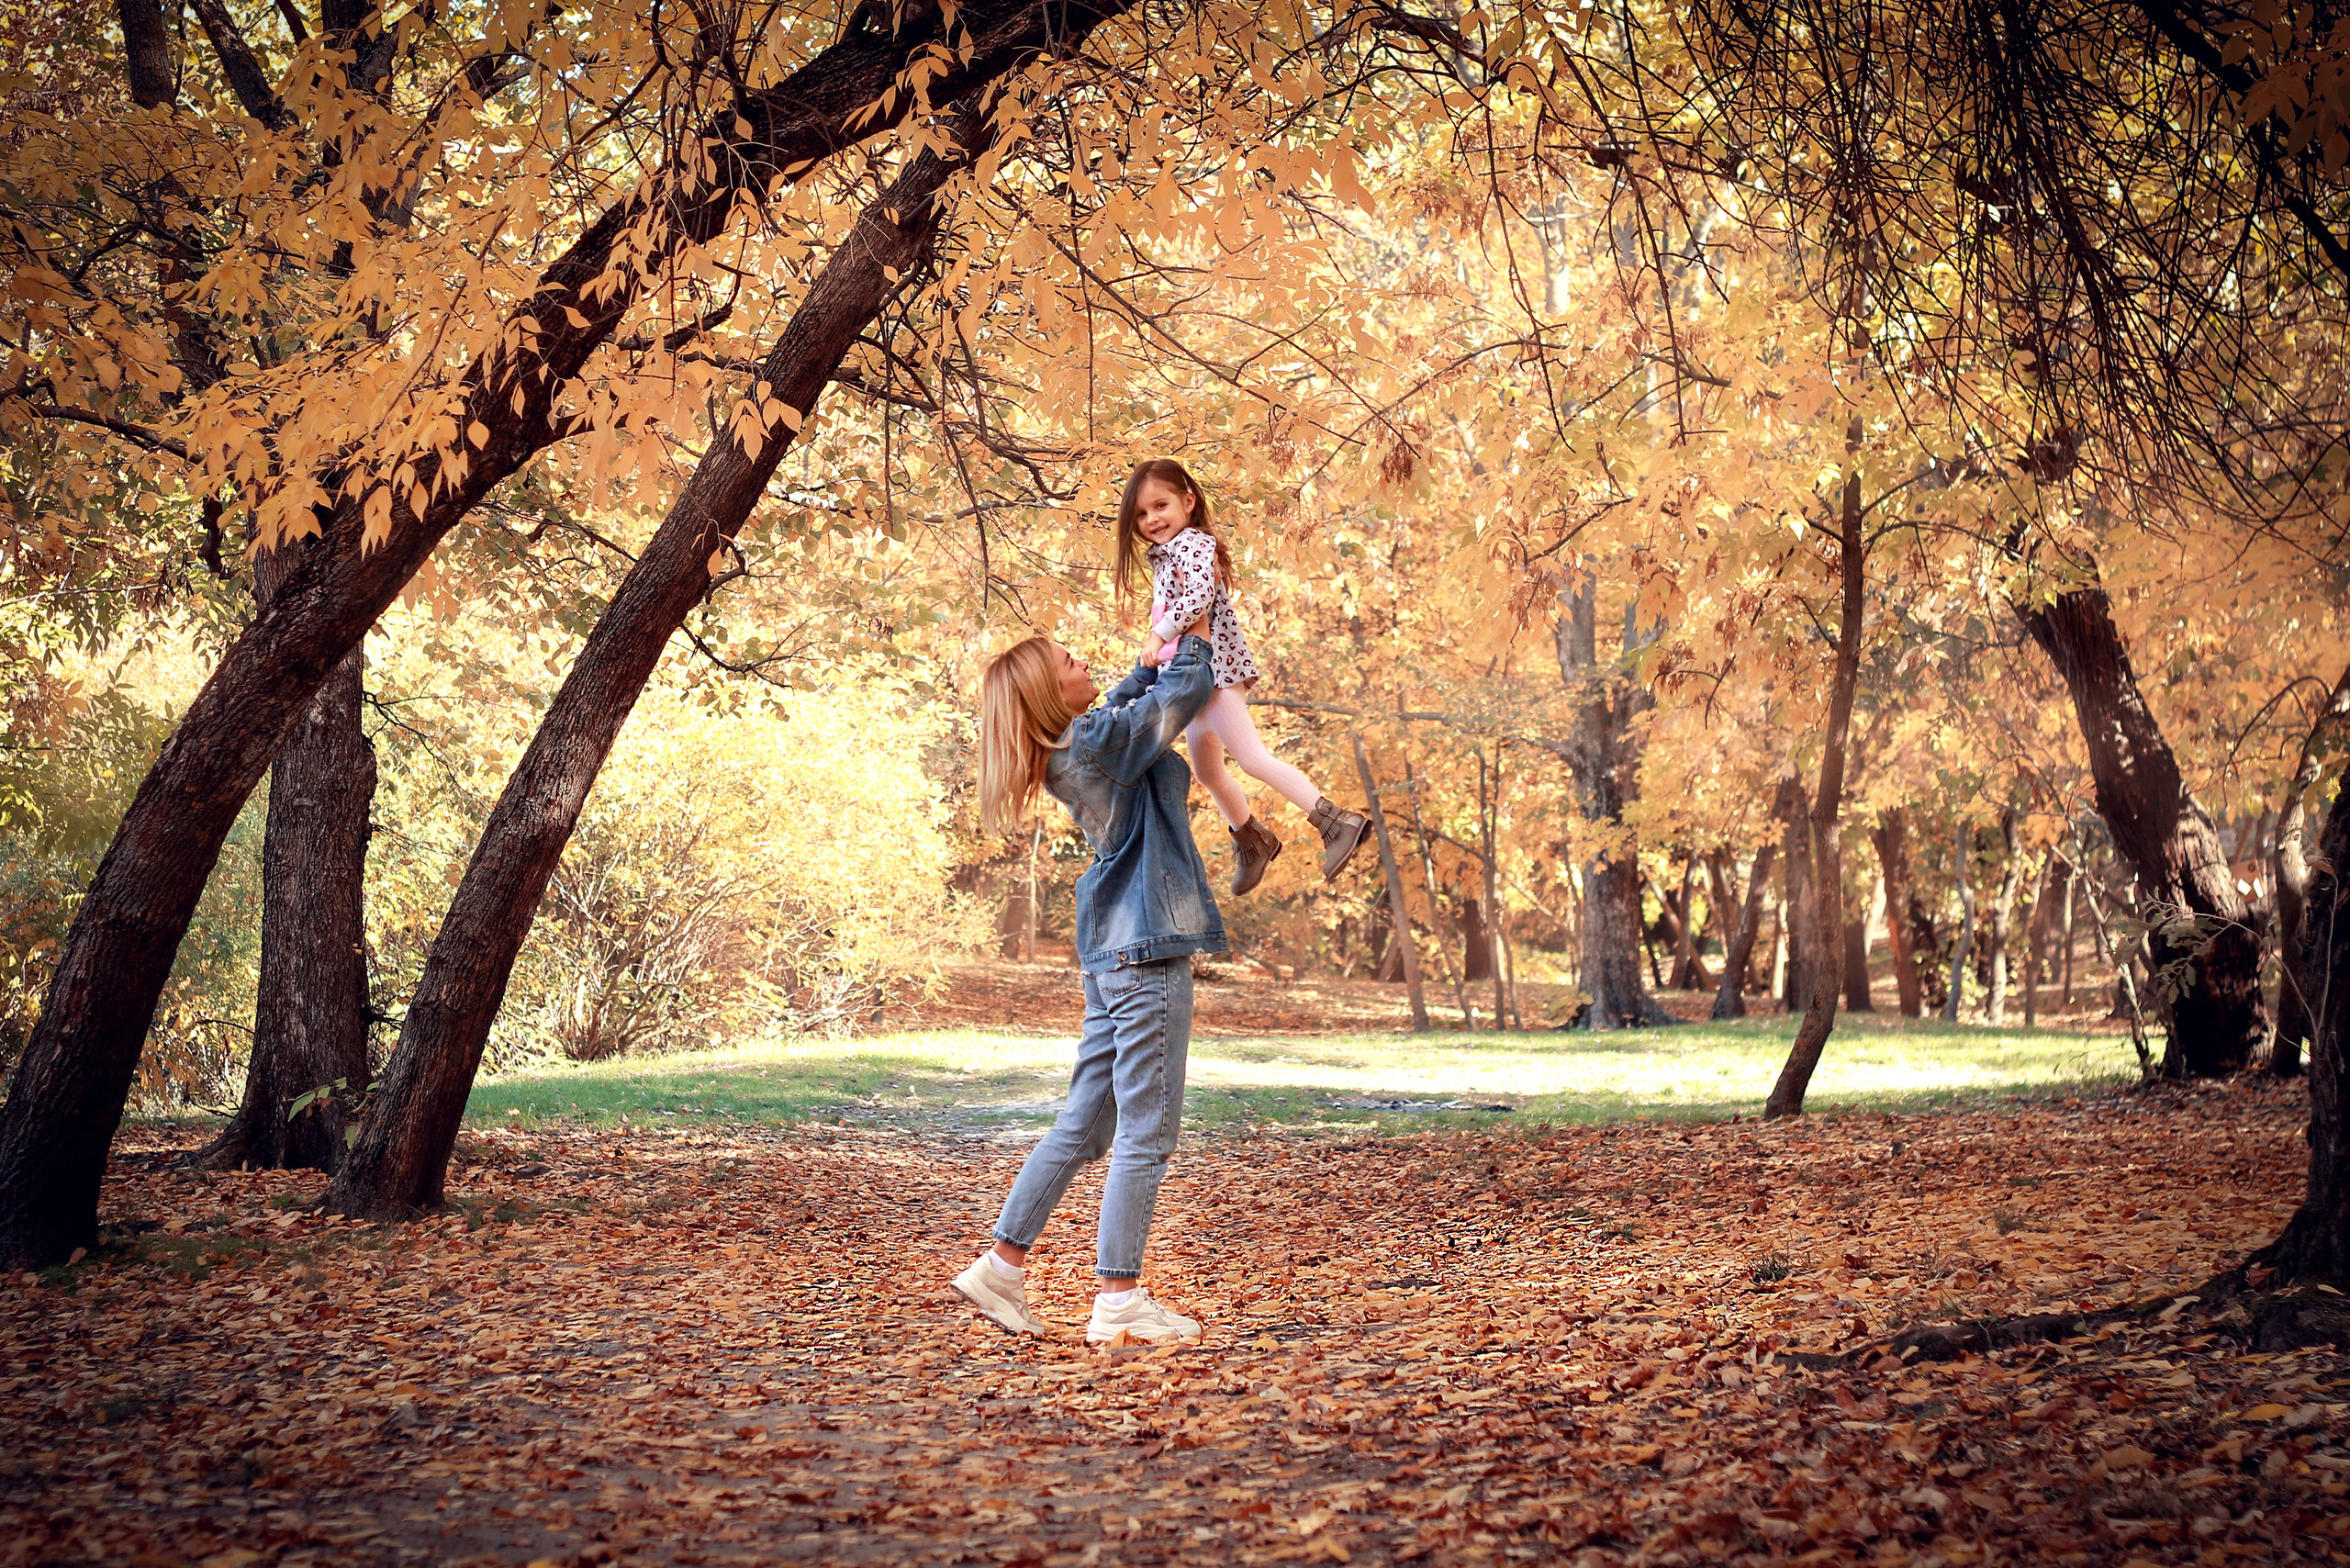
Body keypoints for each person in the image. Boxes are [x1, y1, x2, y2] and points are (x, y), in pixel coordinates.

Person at [952, 633, 1224, 1343]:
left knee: (1087, 1124)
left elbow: (1133, 708)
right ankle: (1120, 1301)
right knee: (1144, 1132)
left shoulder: (1083, 743)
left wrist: (1143, 667)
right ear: (1048, 692)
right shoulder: (1100, 742)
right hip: (1142, 949)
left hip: (1113, 951)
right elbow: (1182, 695)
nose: (1084, 666)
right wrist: (1194, 634)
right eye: (1069, 664)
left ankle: (1000, 1270)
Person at [1113, 458, 1371, 897]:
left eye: (1160, 505)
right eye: (1140, 513)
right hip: (1190, 677)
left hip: (1213, 672)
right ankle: (1253, 839)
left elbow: (1200, 594)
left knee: (1251, 758)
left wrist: (1159, 634)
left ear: (1188, 502)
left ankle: (1336, 820)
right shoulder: (1166, 554)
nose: (1152, 519)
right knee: (1209, 772)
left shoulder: (1192, 542)